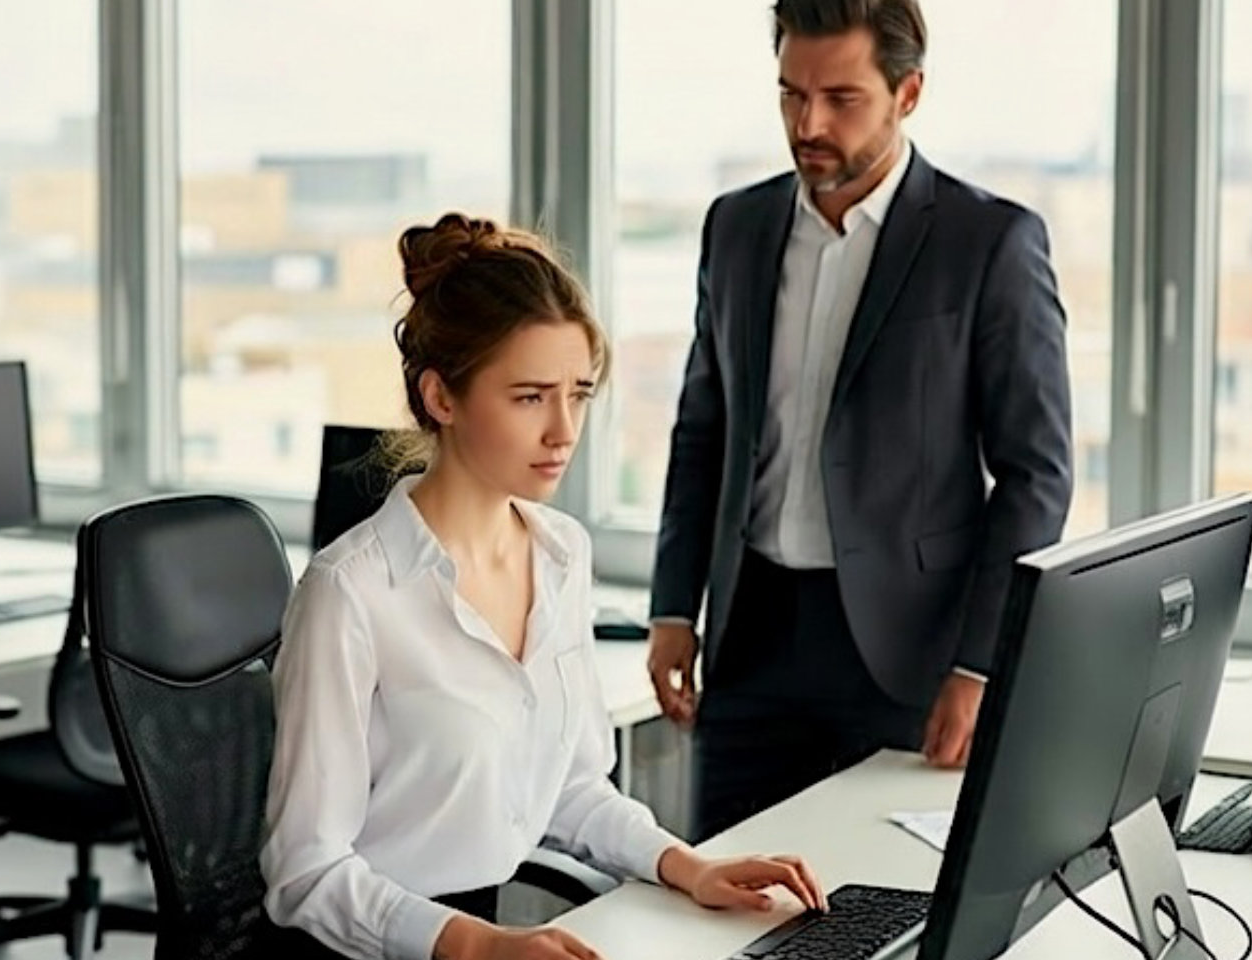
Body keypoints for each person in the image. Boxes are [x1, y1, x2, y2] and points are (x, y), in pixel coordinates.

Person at [262, 213, 827, 960]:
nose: (564, 430)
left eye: (579, 394)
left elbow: (570, 789)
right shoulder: (351, 593)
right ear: (441, 398)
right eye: (530, 397)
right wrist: (478, 947)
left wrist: (690, 867)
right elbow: (304, 870)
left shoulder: (560, 553)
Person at [648, 0, 1075, 841]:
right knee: (733, 901)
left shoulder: (989, 242)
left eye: (841, 98)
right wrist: (673, 608)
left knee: (881, 908)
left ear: (907, 93)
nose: (808, 124)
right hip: (752, 639)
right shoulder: (735, 227)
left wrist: (981, 663)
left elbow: (1036, 474)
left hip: (908, 655)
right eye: (790, 95)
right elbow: (703, 428)